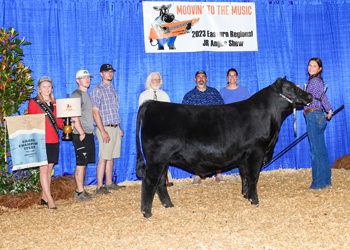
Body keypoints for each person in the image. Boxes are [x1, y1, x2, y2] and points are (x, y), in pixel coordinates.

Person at [182, 70, 225, 184]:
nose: (201, 79)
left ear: (206, 79)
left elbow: (222, 109)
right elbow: (184, 114)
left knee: (217, 150)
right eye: (198, 77)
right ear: (195, 80)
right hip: (196, 128)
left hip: (214, 127)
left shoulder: (214, 93)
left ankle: (219, 175)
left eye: (203, 77)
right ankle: (197, 176)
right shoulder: (189, 96)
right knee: (196, 152)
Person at [28, 76, 63, 209]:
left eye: (49, 86)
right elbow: (31, 122)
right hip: (41, 140)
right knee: (44, 169)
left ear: (52, 88)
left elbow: (59, 123)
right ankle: (50, 200)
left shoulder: (55, 103)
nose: (47, 89)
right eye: (44, 87)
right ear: (39, 89)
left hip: (54, 139)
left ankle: (44, 197)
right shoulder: (34, 102)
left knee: (49, 169)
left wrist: (68, 122)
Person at [91, 64, 125, 195]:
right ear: (101, 74)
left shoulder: (112, 89)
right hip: (104, 126)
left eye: (111, 71)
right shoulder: (97, 89)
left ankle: (109, 183)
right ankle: (100, 186)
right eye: (107, 72)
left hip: (114, 126)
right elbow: (95, 112)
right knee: (104, 157)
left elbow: (114, 110)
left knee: (111, 157)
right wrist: (102, 131)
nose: (110, 74)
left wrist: (119, 127)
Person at [138, 72, 174, 187]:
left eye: (158, 80)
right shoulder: (143, 96)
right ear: (149, 81)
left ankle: (166, 177)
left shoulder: (164, 95)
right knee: (150, 155)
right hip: (149, 131)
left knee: (164, 154)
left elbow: (170, 113)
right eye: (154, 80)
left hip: (163, 130)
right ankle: (151, 179)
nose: (156, 82)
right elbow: (142, 114)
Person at [302, 58, 333, 190]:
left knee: (316, 151)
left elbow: (310, 97)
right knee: (321, 150)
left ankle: (318, 184)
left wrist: (299, 91)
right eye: (310, 65)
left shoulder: (314, 81)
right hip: (318, 116)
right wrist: (329, 109)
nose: (311, 68)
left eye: (314, 66)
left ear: (319, 69)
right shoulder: (317, 81)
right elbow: (322, 96)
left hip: (313, 116)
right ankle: (326, 181)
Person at [220, 68, 250, 181]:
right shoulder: (222, 91)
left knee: (242, 147)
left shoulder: (244, 90)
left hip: (242, 124)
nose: (232, 78)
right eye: (230, 76)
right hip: (227, 124)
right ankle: (233, 173)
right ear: (227, 78)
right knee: (230, 148)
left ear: (237, 77)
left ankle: (242, 171)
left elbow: (249, 107)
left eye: (234, 76)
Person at [70, 70, 96, 201]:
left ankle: (81, 190)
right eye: (83, 78)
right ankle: (79, 192)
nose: (87, 79)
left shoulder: (86, 94)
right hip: (80, 134)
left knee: (84, 162)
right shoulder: (76, 94)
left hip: (87, 132)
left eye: (88, 77)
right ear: (77, 80)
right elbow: (73, 115)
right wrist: (81, 132)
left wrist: (90, 130)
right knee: (81, 162)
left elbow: (85, 115)